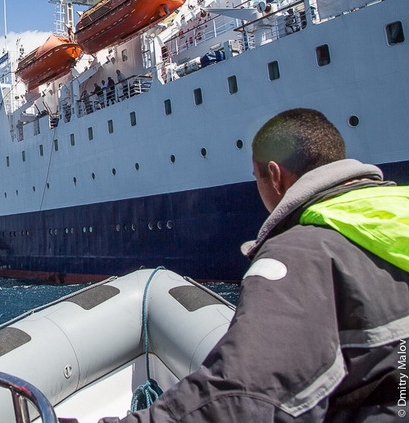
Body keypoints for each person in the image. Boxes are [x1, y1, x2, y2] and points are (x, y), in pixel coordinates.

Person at [100, 108, 409, 422]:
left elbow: (241, 399)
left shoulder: (300, 252)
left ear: (274, 176)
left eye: (256, 178)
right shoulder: (396, 218)